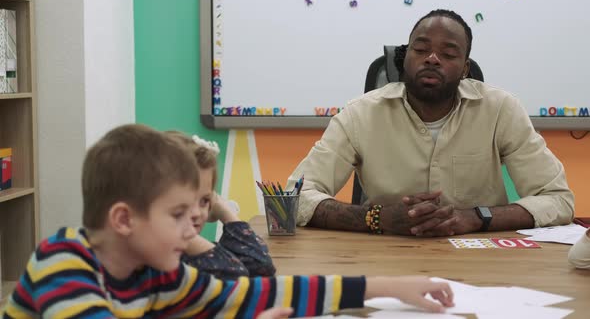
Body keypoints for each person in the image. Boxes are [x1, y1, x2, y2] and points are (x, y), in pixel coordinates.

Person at [2, 124, 454, 318]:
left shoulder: (161, 274)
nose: (192, 225)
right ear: (123, 219)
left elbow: (253, 294)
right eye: (177, 214)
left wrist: (385, 286)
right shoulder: (64, 261)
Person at [287, 9, 574, 237]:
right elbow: (294, 198)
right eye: (421, 49)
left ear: (464, 70)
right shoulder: (359, 114)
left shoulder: (501, 110)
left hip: (480, 255)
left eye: (448, 54)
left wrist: (475, 218)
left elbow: (557, 199)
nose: (432, 59)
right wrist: (379, 218)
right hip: (382, 253)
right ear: (404, 59)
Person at [166, 131, 276, 279]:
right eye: (184, 201)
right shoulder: (163, 261)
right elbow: (236, 275)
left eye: (205, 200)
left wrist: (222, 208)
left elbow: (261, 267)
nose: (197, 213)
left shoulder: (194, 255)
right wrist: (189, 237)